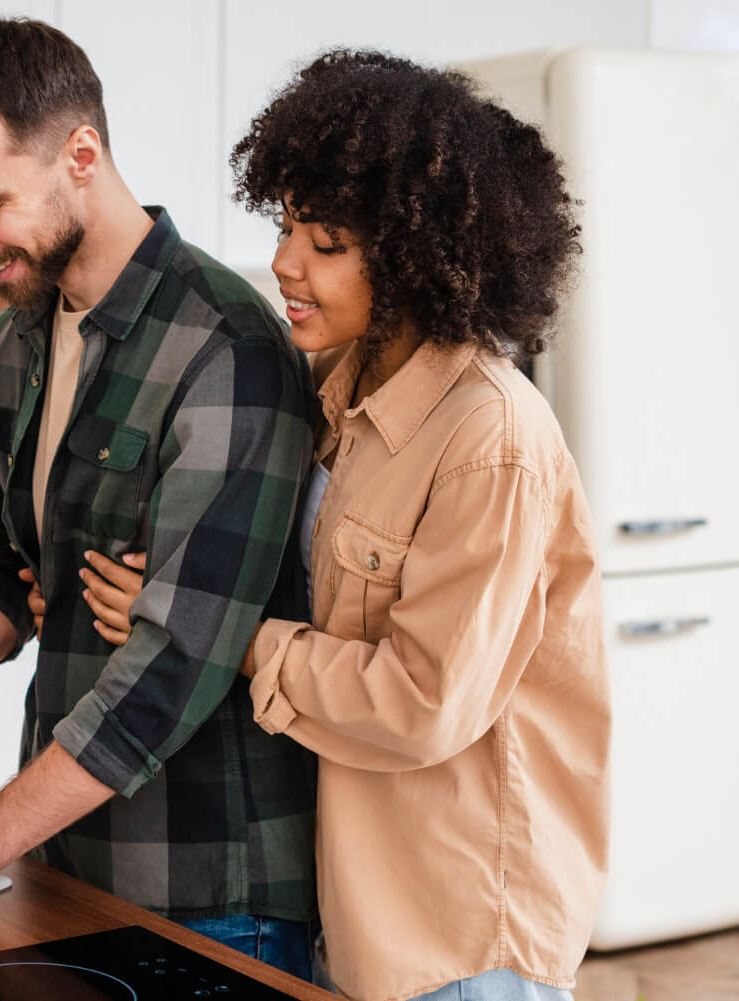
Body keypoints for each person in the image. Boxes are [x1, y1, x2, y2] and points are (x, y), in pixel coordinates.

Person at [70, 50, 610, 1001]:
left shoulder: (491, 436)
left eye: (324, 242)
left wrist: (224, 636)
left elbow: (422, 701)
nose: (284, 261)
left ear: (411, 256)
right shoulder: (341, 394)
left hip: (460, 936)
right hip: (360, 911)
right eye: (287, 227)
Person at [0, 16, 321, 978]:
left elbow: (176, 660)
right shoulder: (7, 348)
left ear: (80, 155)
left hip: (212, 895)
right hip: (64, 865)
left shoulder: (228, 348)